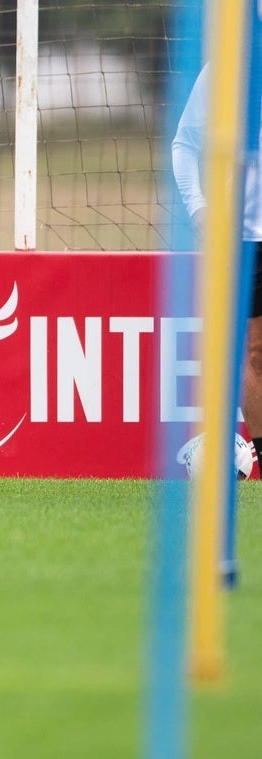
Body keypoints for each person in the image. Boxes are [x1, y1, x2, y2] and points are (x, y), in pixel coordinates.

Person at [172, 63, 262, 478]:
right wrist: (199, 209)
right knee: (253, 354)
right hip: (245, 239)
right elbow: (185, 144)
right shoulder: (230, 62)